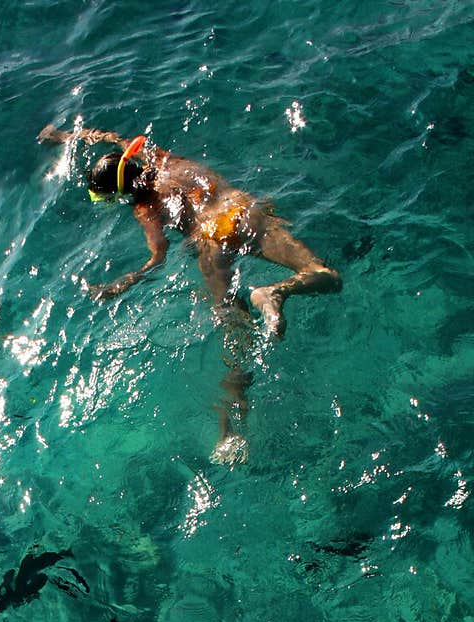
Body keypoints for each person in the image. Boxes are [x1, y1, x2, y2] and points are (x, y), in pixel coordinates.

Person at [37, 122, 342, 460]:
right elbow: (109, 137)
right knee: (324, 274)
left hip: (213, 239)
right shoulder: (162, 159)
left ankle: (229, 434)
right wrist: (66, 136)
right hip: (242, 210)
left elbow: (158, 256)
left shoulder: (143, 207)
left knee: (237, 340)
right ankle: (277, 292)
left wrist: (125, 281)